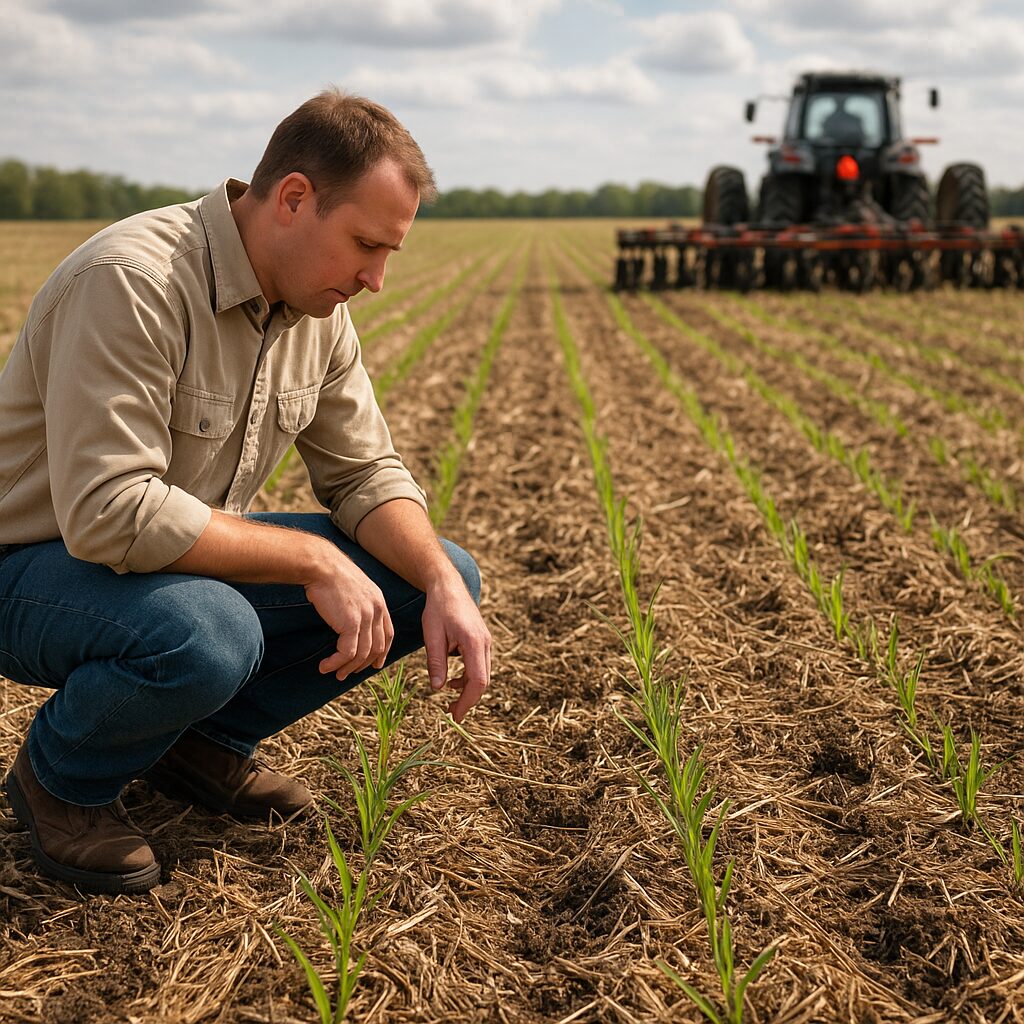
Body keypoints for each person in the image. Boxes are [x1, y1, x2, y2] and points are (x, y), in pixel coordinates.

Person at [0, 90, 491, 896]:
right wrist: (310, 560)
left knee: (436, 573)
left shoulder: (316, 308)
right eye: (365, 244)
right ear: (293, 198)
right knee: (211, 630)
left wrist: (439, 581)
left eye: (389, 253)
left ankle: (199, 745)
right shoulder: (132, 280)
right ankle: (61, 780)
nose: (375, 278)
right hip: (29, 566)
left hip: (158, 567)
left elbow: (365, 473)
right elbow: (110, 513)